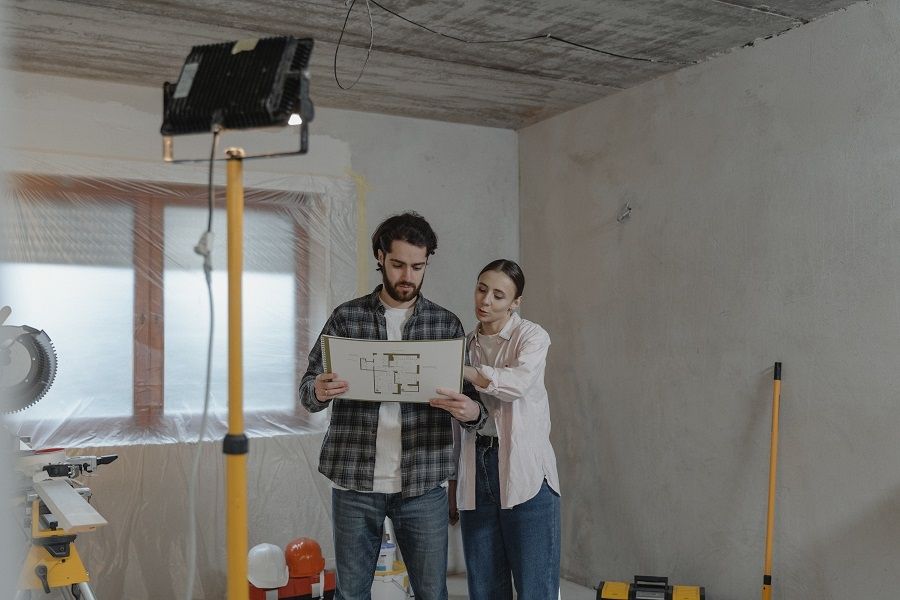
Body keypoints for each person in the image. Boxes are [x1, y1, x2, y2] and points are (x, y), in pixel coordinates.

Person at [299, 211, 486, 600]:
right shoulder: (346, 318)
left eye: (418, 267)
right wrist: (318, 389)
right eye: (399, 264)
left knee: (432, 593)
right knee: (351, 593)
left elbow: (476, 409)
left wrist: (471, 413)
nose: (408, 276)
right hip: (354, 479)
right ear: (380, 256)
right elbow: (307, 393)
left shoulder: (445, 324)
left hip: (423, 483)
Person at [431, 259, 561, 600]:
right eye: (481, 289)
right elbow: (456, 421)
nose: (485, 300)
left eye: (498, 296)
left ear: (515, 302)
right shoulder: (465, 344)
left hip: (527, 474)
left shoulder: (532, 336)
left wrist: (463, 370)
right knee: (485, 587)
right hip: (476, 471)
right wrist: (453, 483)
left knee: (536, 589)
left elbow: (515, 384)